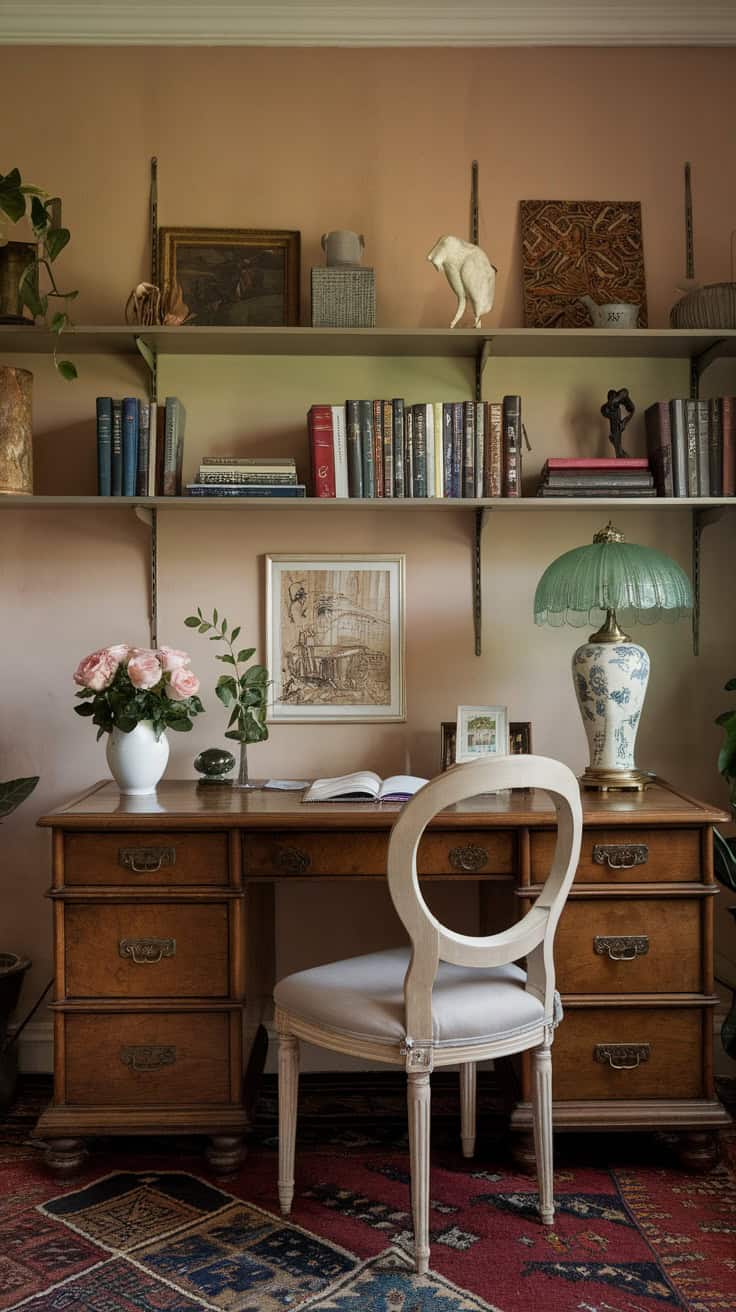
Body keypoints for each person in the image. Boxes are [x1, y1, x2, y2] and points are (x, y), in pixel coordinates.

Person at [601, 387, 635, 458]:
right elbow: (604, 411)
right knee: (616, 436)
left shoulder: (620, 397)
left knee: (616, 437)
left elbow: (625, 392)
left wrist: (625, 421)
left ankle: (621, 453)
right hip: (615, 427)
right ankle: (620, 453)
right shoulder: (606, 408)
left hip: (619, 424)